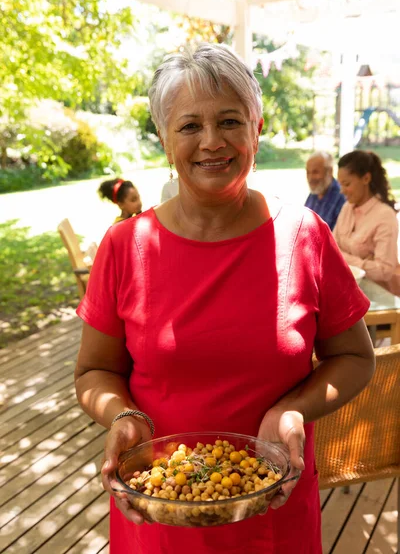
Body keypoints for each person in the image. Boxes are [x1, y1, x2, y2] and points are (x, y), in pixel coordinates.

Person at [74, 44, 375, 554]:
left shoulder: (303, 235)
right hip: (157, 509)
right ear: (166, 143)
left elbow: (355, 357)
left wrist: (293, 411)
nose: (211, 142)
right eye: (189, 126)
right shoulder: (125, 247)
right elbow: (93, 372)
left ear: (256, 130)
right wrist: (124, 417)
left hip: (273, 511)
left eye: (230, 121)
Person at [334, 149, 400, 293]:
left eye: (347, 184)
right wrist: (365, 262)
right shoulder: (347, 207)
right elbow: (331, 247)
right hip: (348, 289)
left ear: (366, 179)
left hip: (378, 297)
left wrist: (343, 258)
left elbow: (384, 270)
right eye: (340, 184)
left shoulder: (385, 216)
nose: (342, 191)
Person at [305, 152, 345, 230]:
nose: (310, 178)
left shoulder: (341, 197)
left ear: (330, 171)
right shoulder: (314, 193)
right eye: (308, 172)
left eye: (315, 172)